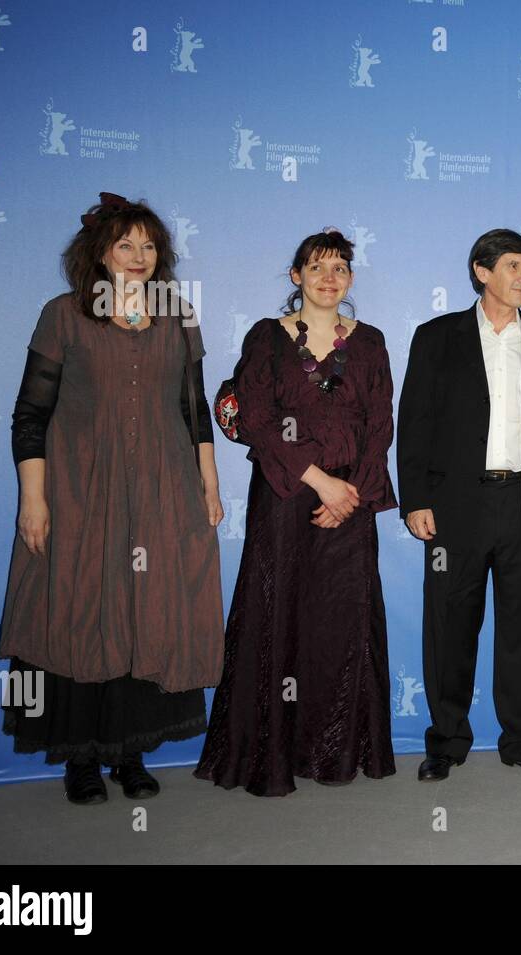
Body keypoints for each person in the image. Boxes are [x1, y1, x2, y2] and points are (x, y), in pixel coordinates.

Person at [1, 192, 224, 804]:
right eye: (125, 244)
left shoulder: (178, 316)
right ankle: (83, 760)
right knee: (81, 615)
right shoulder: (63, 315)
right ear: (98, 252)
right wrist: (34, 499)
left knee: (145, 612)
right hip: (79, 492)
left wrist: (208, 483)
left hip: (161, 491)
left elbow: (194, 408)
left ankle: (129, 754)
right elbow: (29, 415)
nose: (138, 256)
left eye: (148, 245)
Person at [195, 229, 397, 796]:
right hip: (286, 501)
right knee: (276, 618)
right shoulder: (267, 337)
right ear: (296, 278)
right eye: (316, 268)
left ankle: (334, 755)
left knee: (343, 625)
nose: (329, 278)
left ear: (351, 280)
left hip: (351, 506)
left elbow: (380, 427)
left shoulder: (372, 341)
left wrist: (349, 493)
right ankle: (270, 757)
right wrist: (319, 482)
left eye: (339, 269)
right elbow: (257, 419)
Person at [398, 229, 521, 782]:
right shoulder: (436, 338)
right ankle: (447, 741)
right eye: (512, 266)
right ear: (481, 272)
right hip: (456, 507)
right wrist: (416, 499)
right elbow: (415, 425)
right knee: (450, 627)